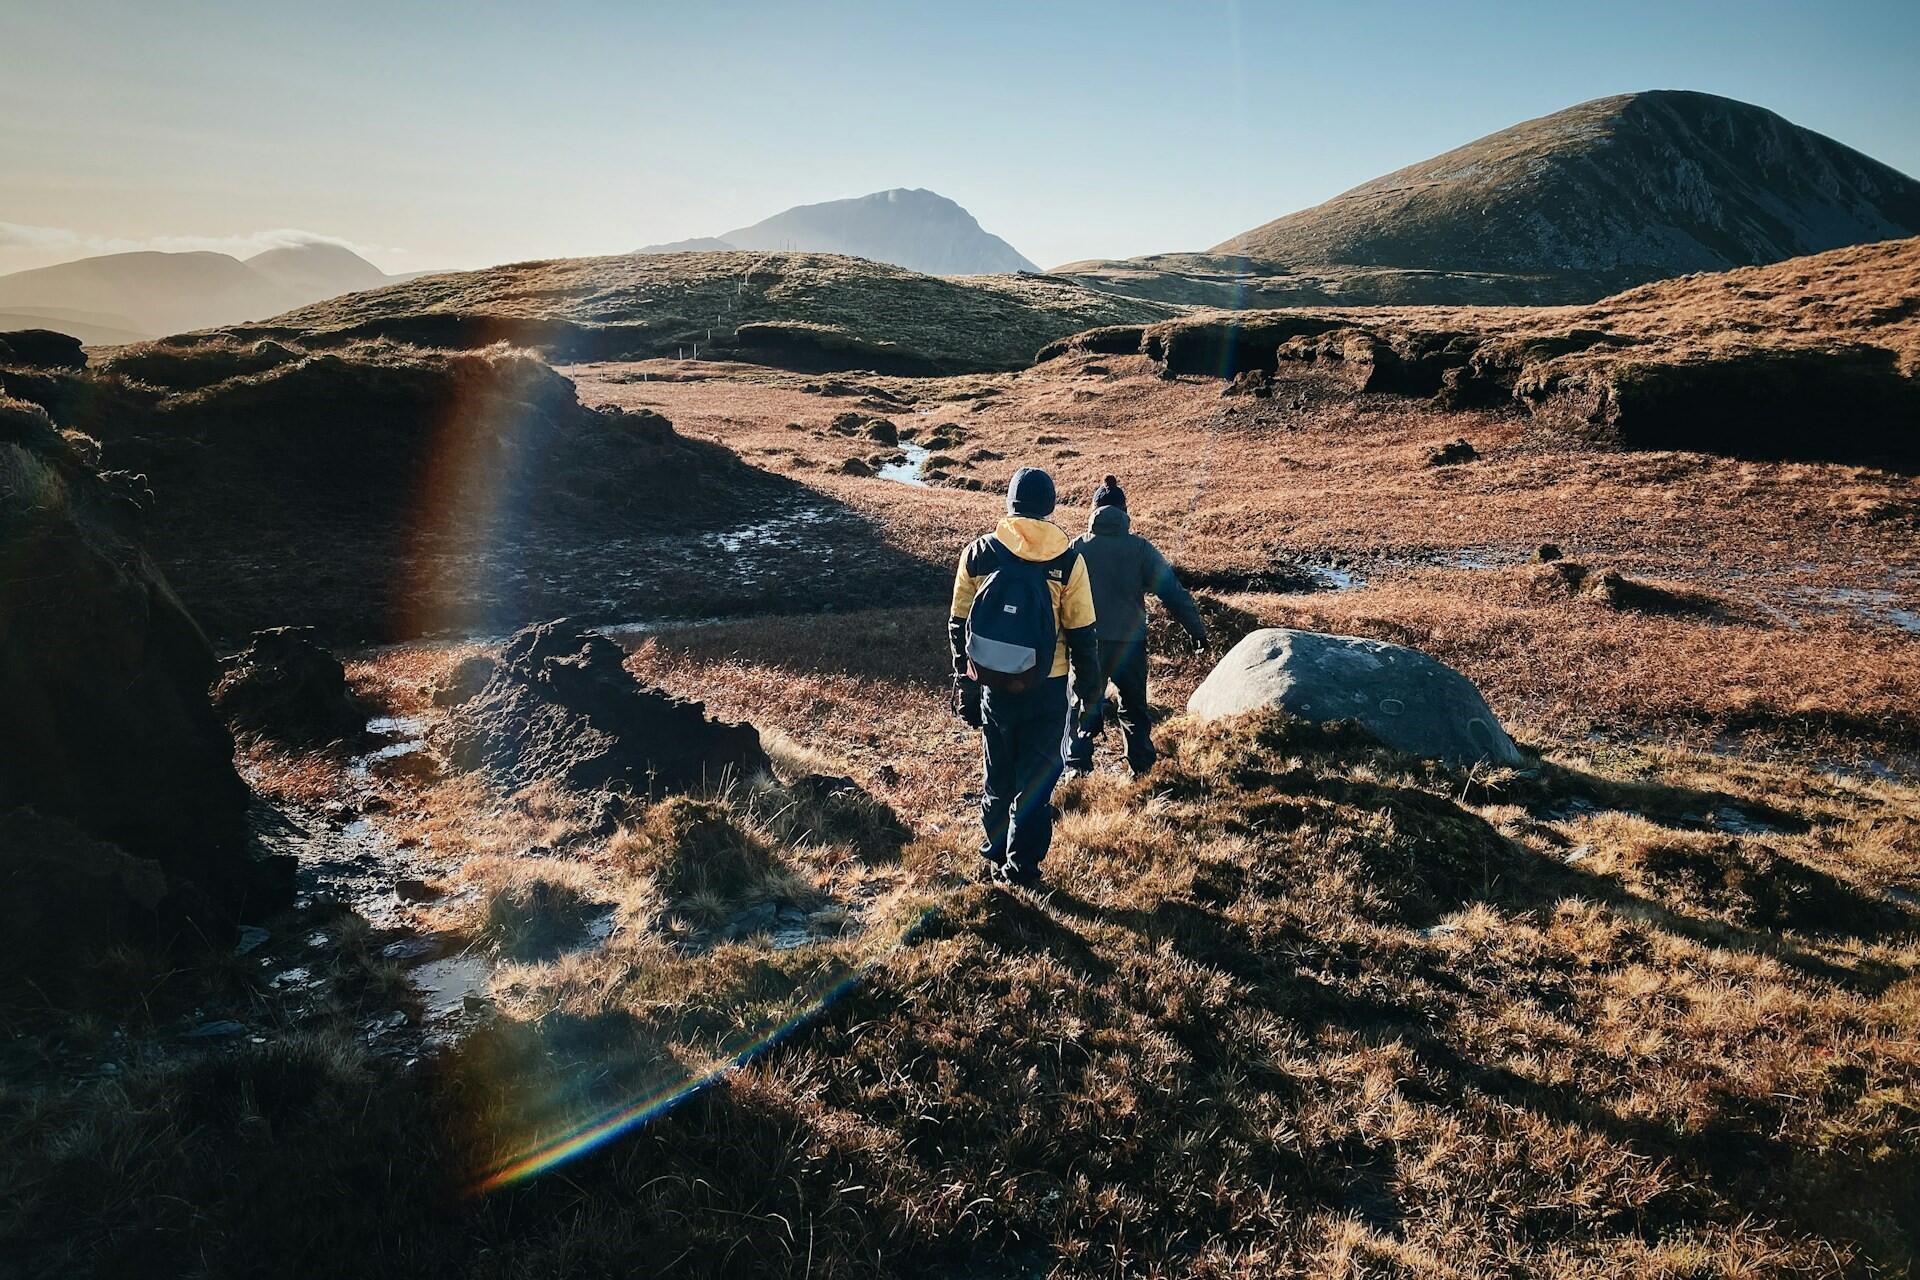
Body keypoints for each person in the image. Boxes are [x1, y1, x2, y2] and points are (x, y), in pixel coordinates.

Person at [949, 467, 1102, 887]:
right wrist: (1090, 699)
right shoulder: (1069, 560)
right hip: (1047, 688)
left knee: (998, 775)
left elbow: (958, 625)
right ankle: (1022, 870)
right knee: (1034, 785)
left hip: (993, 686)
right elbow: (1083, 638)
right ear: (1049, 506)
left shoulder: (979, 553)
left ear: (1011, 504)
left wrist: (965, 682)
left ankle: (993, 851)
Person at [1065, 474, 1208, 779]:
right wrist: (1196, 630)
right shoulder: (1141, 549)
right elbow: (1172, 592)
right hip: (1130, 643)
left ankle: (1077, 768)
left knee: (1083, 702)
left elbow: (1057, 595)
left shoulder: (1077, 547)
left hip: (1088, 642)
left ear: (1094, 511)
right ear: (1124, 512)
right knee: (1133, 707)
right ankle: (1141, 769)